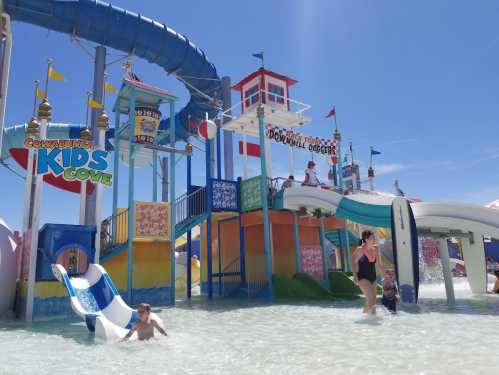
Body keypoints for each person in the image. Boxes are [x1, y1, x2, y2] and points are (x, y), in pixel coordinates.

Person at [353, 230, 382, 314]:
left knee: (373, 301)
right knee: (371, 299)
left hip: (373, 277)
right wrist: (355, 276)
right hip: (362, 277)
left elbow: (379, 264)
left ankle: (368, 316)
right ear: (366, 239)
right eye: (372, 238)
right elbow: (353, 263)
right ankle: (367, 318)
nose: (374, 239)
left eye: (374, 237)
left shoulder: (375, 248)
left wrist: (385, 274)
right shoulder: (360, 250)